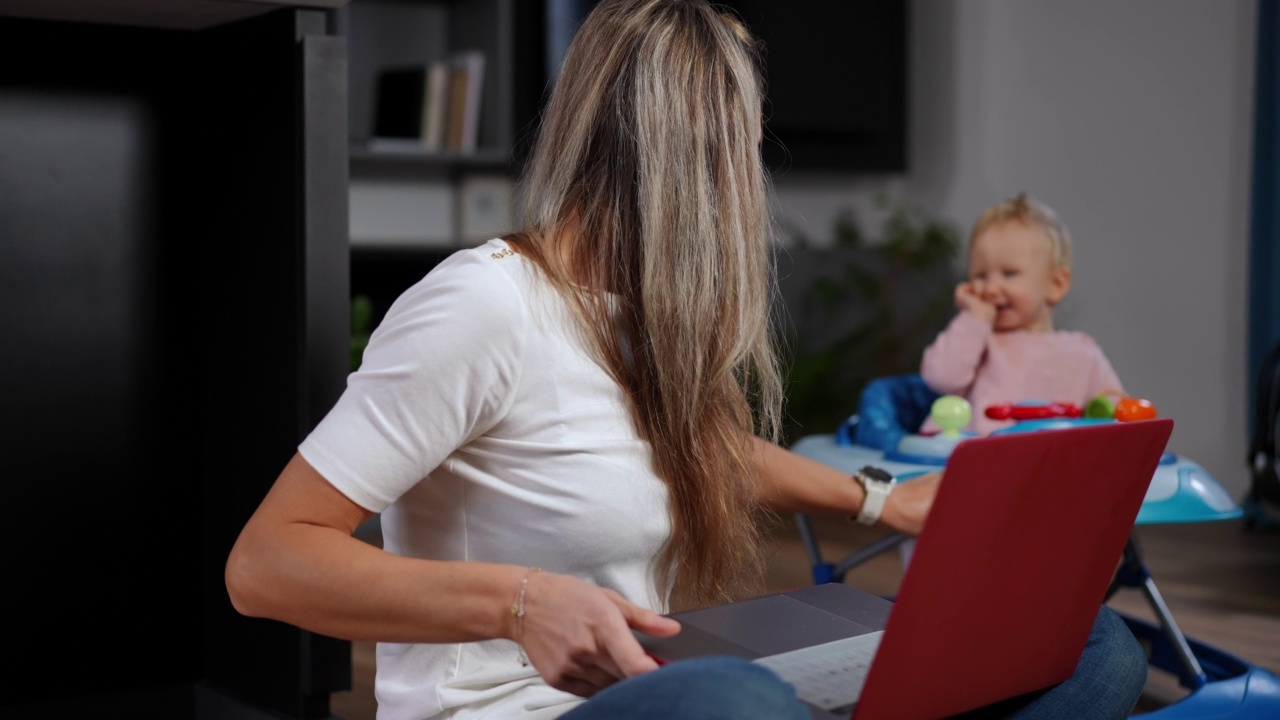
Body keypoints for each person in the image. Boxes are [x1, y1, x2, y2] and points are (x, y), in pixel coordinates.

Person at [225, 2, 1146, 719]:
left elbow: (699, 451)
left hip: (654, 677)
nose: (752, 191)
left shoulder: (646, 314)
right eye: (743, 159)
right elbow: (266, 566)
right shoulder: (481, 308)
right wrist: (517, 602)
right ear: (679, 166)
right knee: (736, 703)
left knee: (1096, 647)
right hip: (535, 709)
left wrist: (880, 499)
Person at [920, 193, 1125, 436]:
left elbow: (1116, 410)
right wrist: (974, 317)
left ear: (1055, 284)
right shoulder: (978, 342)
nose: (992, 288)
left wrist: (1114, 409)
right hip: (979, 460)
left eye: (1009, 273)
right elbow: (941, 378)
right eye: (981, 275)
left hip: (1052, 466)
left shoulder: (1083, 355)